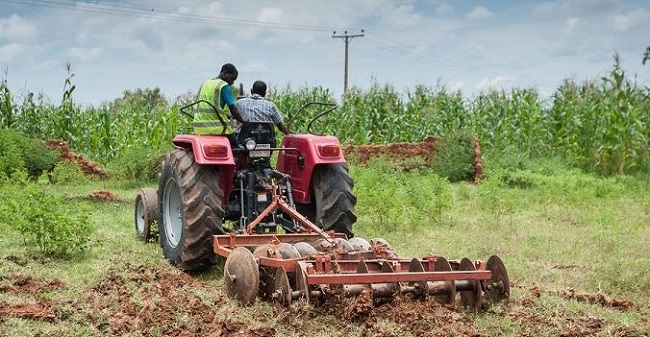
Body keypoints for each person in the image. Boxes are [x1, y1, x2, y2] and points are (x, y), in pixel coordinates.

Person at [193, 63, 246, 135]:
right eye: (232, 78)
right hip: (216, 128)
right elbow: (233, 109)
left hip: (198, 128)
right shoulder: (223, 86)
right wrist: (243, 121)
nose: (232, 82)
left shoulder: (205, 83)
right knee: (236, 144)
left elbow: (209, 106)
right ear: (225, 73)